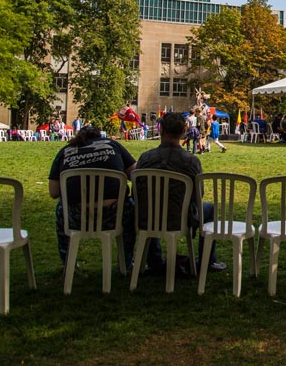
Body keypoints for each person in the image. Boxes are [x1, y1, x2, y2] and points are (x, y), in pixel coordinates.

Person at [135, 112, 223, 272]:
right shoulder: (190, 161)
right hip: (180, 218)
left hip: (148, 216)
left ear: (161, 130)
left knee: (151, 204)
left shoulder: (145, 158)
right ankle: (207, 260)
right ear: (184, 132)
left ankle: (154, 260)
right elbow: (199, 194)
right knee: (211, 209)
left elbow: (138, 192)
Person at [47, 125, 137, 268]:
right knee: (132, 206)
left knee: (61, 208)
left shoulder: (65, 151)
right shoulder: (112, 145)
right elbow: (135, 174)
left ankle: (68, 263)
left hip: (76, 217)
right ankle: (126, 262)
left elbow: (54, 192)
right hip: (115, 216)